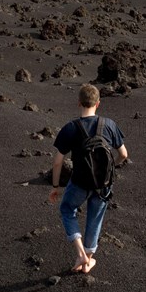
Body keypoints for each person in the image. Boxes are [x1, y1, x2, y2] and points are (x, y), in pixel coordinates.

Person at [48, 84, 128, 273]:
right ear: (98, 103)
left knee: (67, 209)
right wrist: (111, 168)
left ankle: (80, 253)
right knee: (95, 218)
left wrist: (55, 186)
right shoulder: (109, 125)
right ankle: (88, 259)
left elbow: (58, 161)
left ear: (79, 103)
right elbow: (124, 154)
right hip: (103, 184)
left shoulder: (70, 128)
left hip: (79, 182)